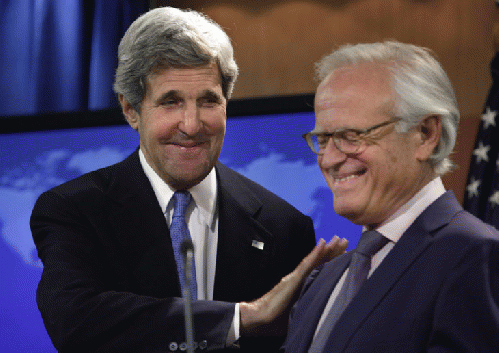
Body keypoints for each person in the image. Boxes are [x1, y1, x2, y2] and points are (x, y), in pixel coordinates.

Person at [30, 7, 348, 353]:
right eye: (171, 102)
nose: (192, 125)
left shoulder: (284, 226)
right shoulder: (75, 209)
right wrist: (242, 318)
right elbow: (76, 322)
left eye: (209, 101)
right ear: (130, 110)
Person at [282, 40, 499, 352]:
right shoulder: (326, 278)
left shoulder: (474, 256)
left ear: (426, 134)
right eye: (323, 138)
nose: (328, 159)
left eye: (350, 136)